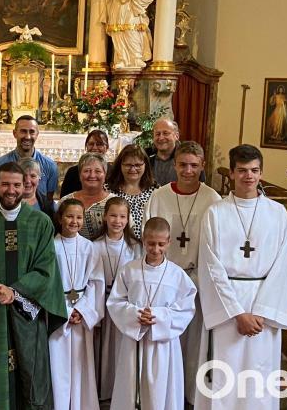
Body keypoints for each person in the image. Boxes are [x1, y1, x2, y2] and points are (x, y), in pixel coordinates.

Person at [0, 162, 68, 410]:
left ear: (26, 185)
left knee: (29, 370)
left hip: (26, 312)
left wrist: (15, 292)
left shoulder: (41, 223)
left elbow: (46, 269)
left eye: (16, 185)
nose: (11, 190)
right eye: (5, 184)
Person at [195, 145, 287, 409]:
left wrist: (260, 312)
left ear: (261, 173)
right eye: (242, 170)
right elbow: (210, 267)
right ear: (231, 173)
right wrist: (238, 314)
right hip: (227, 308)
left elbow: (282, 266)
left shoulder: (277, 213)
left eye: (254, 170)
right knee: (224, 376)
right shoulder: (216, 213)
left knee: (258, 377)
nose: (248, 176)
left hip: (263, 307)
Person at [143, 140, 220, 405]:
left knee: (194, 343)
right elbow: (148, 238)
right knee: (166, 340)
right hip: (164, 280)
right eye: (183, 165)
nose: (188, 171)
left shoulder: (213, 199)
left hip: (199, 279)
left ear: (203, 166)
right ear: (174, 165)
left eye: (194, 166)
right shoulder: (159, 196)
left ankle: (190, 397)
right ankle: (164, 396)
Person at [107, 217, 197, 410]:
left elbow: (186, 308)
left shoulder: (177, 275)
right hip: (134, 340)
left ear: (169, 242)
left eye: (161, 244)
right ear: (143, 240)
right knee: (130, 386)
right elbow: (115, 302)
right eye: (151, 243)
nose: (156, 249)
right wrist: (136, 315)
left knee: (161, 390)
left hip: (164, 344)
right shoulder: (129, 270)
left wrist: (158, 316)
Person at [50, 199, 104, 410]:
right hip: (59, 312)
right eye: (69, 216)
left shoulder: (89, 247)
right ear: (60, 218)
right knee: (59, 363)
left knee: (82, 363)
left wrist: (82, 310)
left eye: (79, 217)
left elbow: (96, 282)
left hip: (82, 312)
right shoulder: (51, 247)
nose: (74, 221)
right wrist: (66, 311)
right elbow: (48, 284)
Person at [92, 197, 141, 403]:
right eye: (113, 215)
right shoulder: (95, 246)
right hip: (102, 302)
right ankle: (103, 392)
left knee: (122, 349)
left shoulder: (135, 247)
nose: (117, 221)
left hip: (124, 305)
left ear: (128, 219)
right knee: (102, 350)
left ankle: (123, 391)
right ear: (104, 217)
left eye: (122, 216)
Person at [98, 0, 158, 69]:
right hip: (118, 1)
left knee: (132, 29)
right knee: (118, 30)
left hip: (133, 1)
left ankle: (136, 57)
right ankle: (122, 58)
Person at [0, 115, 59, 201]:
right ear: (14, 133)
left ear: (37, 134)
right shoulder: (0, 164)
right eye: (23, 131)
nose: (28, 137)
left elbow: (48, 200)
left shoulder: (50, 166)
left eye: (32, 132)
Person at [107, 144, 157, 240]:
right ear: (120, 165)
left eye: (138, 165)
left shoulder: (155, 190)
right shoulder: (108, 190)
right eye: (128, 165)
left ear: (145, 165)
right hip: (117, 244)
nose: (133, 169)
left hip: (147, 245)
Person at [59, 153, 113, 240]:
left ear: (105, 174)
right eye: (87, 171)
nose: (92, 175)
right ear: (80, 175)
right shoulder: (65, 201)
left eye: (98, 171)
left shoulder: (115, 202)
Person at [149, 118, 206, 186]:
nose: (161, 138)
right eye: (157, 134)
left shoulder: (190, 158)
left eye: (165, 133)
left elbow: (200, 186)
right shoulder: (146, 159)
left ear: (176, 136)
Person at [60, 130, 109, 197]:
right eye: (91, 144)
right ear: (86, 146)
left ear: (107, 147)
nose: (94, 148)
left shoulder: (114, 172)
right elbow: (64, 198)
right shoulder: (73, 172)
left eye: (99, 144)